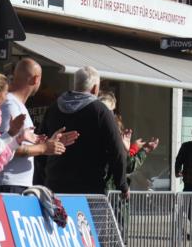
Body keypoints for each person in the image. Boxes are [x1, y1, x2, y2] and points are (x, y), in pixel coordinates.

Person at [38, 66, 127, 198]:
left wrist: (42, 180)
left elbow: (41, 143)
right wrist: (122, 185)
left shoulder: (53, 108)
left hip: (55, 185)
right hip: (89, 188)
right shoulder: (100, 111)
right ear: (95, 88)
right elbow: (117, 150)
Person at [0, 58, 78, 194]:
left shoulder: (17, 105)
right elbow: (5, 147)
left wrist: (49, 143)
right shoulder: (10, 105)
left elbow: (18, 143)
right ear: (36, 79)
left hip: (16, 183)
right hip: (9, 183)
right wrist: (43, 148)